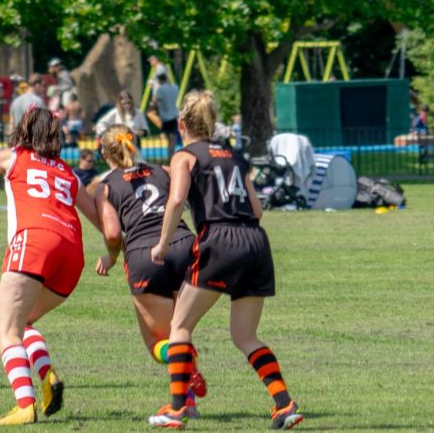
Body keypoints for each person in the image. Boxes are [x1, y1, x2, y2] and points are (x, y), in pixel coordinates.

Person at [147, 90, 303, 430]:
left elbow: (175, 202)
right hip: (255, 241)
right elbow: (257, 209)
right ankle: (283, 403)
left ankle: (176, 409)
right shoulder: (234, 155)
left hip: (218, 239)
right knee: (245, 335)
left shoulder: (184, 156)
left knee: (180, 327)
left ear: (181, 124)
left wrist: (161, 245)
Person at [0, 107, 102, 425]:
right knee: (24, 322)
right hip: (72, 252)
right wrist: (116, 252)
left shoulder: (13, 156)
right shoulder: (68, 172)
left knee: (7, 331)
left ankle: (25, 405)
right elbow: (101, 221)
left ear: (24, 129)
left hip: (34, 243)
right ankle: (47, 377)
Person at [92, 125, 204, 416]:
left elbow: (114, 233)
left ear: (105, 153)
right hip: (183, 245)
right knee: (181, 329)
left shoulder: (105, 187)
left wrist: (112, 257)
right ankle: (187, 395)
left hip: (144, 255)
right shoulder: (163, 170)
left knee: (160, 340)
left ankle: (186, 380)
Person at [151, 73, 180, 155]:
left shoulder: (160, 90)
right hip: (174, 115)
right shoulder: (175, 87)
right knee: (173, 139)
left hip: (165, 117)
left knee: (167, 139)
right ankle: (172, 154)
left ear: (159, 81)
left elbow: (155, 102)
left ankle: (170, 155)